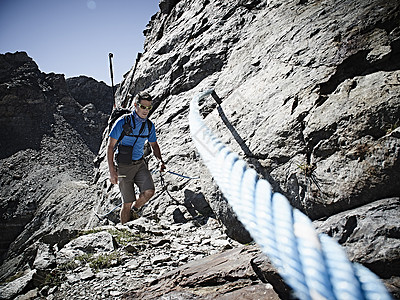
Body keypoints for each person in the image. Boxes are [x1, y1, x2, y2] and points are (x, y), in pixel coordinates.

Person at [107, 91, 165, 224]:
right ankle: (124, 231)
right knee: (127, 202)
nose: (146, 110)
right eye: (143, 106)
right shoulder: (122, 122)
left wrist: (159, 160)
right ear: (135, 105)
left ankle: (135, 210)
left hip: (140, 164)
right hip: (123, 166)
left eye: (149, 107)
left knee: (149, 191)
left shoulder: (149, 126)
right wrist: (112, 171)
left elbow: (154, 145)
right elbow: (110, 147)